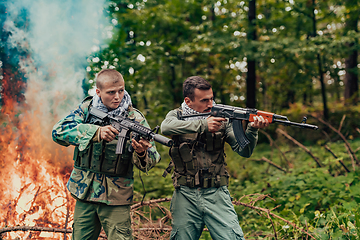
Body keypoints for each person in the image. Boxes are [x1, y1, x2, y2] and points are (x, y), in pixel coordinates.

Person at [52, 69, 161, 240]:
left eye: (121, 90)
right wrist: (95, 132)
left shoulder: (135, 118)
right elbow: (58, 132)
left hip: (116, 196)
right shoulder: (87, 110)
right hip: (85, 191)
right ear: (98, 92)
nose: (117, 97)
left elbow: (153, 158)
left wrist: (141, 153)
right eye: (111, 92)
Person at [160, 76, 269, 240]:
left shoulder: (223, 118)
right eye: (204, 100)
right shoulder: (176, 115)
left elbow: (244, 151)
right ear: (188, 101)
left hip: (216, 193)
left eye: (211, 98)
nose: (210, 104)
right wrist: (204, 125)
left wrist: (252, 130)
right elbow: (166, 127)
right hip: (185, 194)